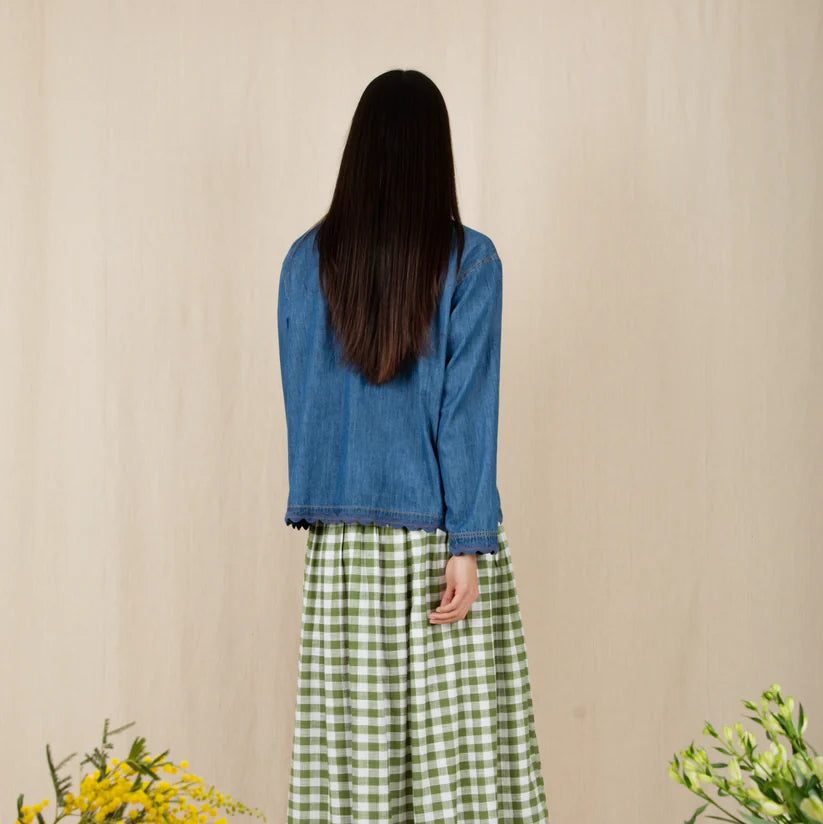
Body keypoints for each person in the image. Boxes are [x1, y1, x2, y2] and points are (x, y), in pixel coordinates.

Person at [278, 68, 550, 824]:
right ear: (437, 153)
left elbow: (305, 403)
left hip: (341, 552)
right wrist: (467, 540)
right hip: (437, 542)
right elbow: (467, 414)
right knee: (453, 774)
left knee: (352, 770)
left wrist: (327, 501)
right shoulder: (470, 260)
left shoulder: (305, 261)